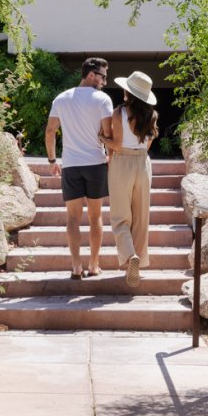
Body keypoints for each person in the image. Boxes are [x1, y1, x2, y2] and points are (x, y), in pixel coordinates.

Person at [45, 57, 113, 279]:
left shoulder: (61, 98)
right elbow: (108, 134)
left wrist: (52, 161)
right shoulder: (102, 100)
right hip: (95, 164)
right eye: (103, 76)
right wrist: (111, 156)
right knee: (96, 217)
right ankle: (93, 265)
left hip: (71, 165)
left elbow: (49, 132)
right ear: (91, 75)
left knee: (72, 218)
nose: (105, 81)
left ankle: (76, 267)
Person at [99, 71, 158, 287]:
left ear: (128, 92)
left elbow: (117, 144)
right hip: (143, 164)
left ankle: (129, 255)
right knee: (141, 216)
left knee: (120, 217)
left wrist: (102, 139)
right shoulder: (152, 116)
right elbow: (146, 145)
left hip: (122, 163)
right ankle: (139, 262)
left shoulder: (119, 113)